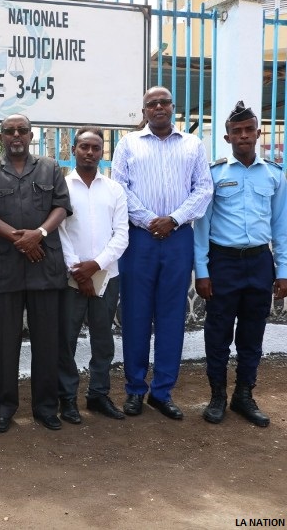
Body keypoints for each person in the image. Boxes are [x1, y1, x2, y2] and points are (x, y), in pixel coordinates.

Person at [111, 86, 212, 419]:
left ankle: (163, 390)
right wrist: (149, 220)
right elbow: (119, 187)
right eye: (150, 104)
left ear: (173, 107)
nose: (157, 107)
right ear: (144, 112)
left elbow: (204, 189)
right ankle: (135, 390)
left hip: (178, 239)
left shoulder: (193, 145)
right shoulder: (128, 145)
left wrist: (174, 219)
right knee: (136, 316)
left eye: (163, 102)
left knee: (171, 317)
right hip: (139, 241)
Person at [0, 113, 71, 433]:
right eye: (9, 131)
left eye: (22, 130)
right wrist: (21, 238)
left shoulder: (50, 168)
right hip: (4, 268)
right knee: (2, 342)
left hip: (45, 264)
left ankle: (45, 407)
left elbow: (61, 207)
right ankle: (3, 406)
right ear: (1, 137)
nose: (16, 135)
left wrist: (39, 234)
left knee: (47, 341)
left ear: (31, 135)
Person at [194, 101, 287, 428]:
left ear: (258, 133)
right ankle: (218, 394)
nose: (244, 136)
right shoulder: (214, 174)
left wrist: (284, 271)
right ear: (227, 136)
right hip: (223, 263)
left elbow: (280, 226)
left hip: (260, 262)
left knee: (253, 333)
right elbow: (201, 227)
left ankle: (244, 394)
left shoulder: (275, 174)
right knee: (217, 331)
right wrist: (202, 271)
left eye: (249, 130)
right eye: (237, 131)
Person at [58, 127, 129, 423]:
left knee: (103, 339)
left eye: (95, 148)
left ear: (102, 152)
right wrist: (79, 271)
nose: (90, 152)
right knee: (67, 340)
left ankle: (98, 395)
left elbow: (122, 235)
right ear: (74, 149)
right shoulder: (62, 188)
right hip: (71, 278)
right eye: (84, 147)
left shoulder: (114, 189)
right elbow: (58, 232)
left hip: (106, 277)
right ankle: (67, 399)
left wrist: (95, 266)